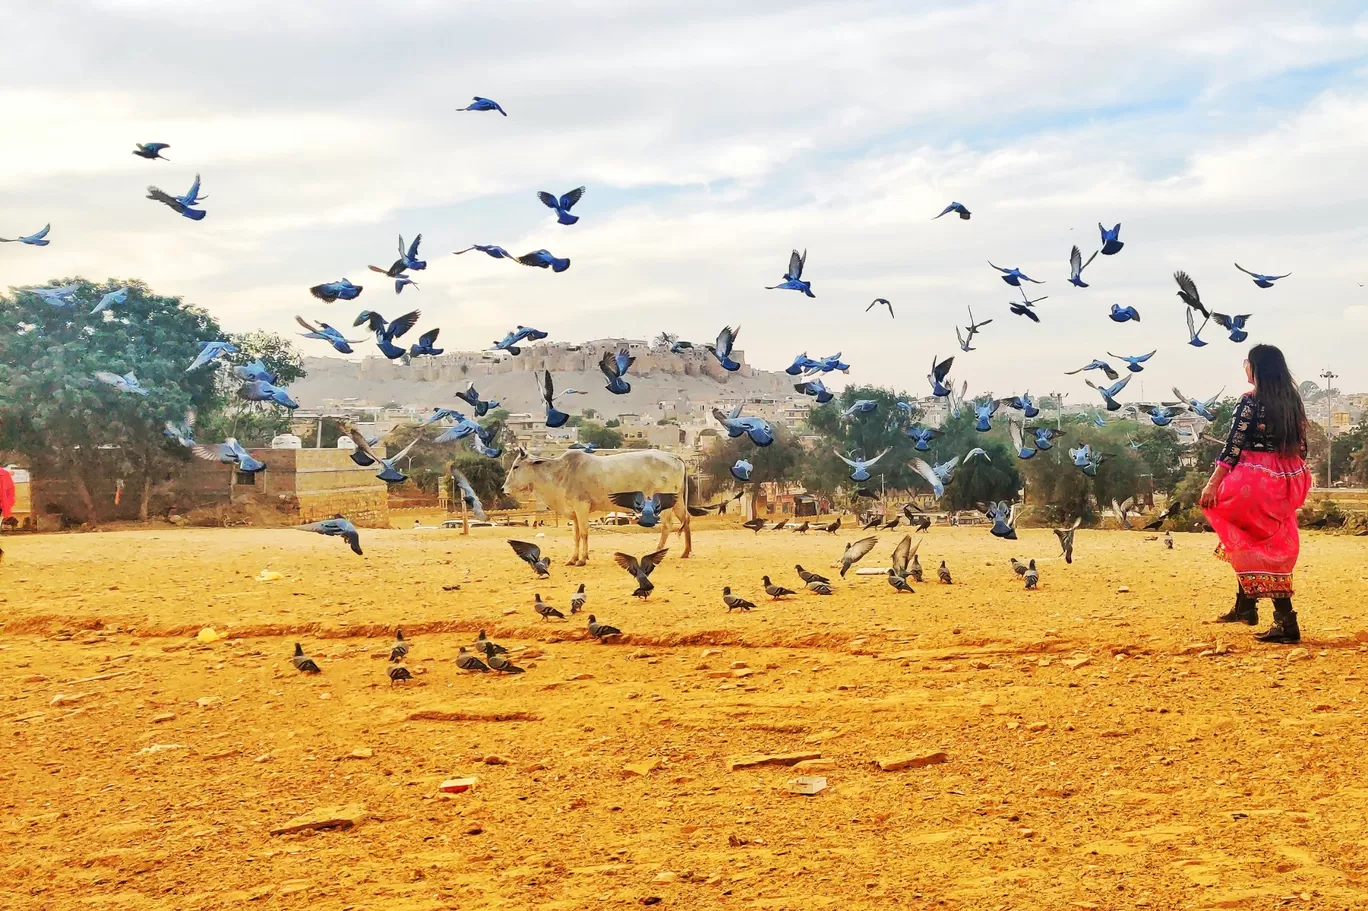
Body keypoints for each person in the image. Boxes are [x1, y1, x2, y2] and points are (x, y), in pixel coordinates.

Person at [1200, 345, 1311, 643]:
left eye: (1247, 363)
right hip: (1288, 480)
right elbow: (1302, 448)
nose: (1245, 368)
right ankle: (1245, 606)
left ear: (1257, 369)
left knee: (1252, 542)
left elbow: (1232, 447)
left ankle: (1286, 623)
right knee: (1262, 539)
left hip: (1254, 482)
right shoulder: (1293, 401)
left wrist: (1213, 484)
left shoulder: (1250, 401)